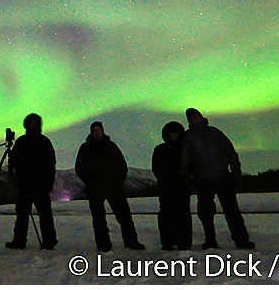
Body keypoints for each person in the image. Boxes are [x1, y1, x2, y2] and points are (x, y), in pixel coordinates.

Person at [181, 108, 254, 250]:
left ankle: (242, 240)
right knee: (206, 213)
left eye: (197, 116)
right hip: (203, 180)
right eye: (192, 118)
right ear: (189, 121)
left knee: (232, 211)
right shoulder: (188, 137)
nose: (195, 119)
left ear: (201, 117)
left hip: (222, 177)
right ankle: (210, 241)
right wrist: (188, 179)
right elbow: (184, 159)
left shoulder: (214, 132)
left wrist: (236, 171)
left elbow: (230, 151)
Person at [74, 121, 145, 252]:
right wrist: (90, 182)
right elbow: (80, 167)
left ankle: (131, 242)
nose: (97, 131)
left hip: (114, 187)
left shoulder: (111, 146)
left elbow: (122, 165)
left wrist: (118, 181)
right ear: (91, 131)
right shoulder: (85, 148)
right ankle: (103, 245)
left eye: (99, 129)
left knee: (124, 216)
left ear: (102, 130)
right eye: (94, 129)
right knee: (99, 219)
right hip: (95, 189)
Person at [5, 113, 58, 250]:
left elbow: (50, 163)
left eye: (35, 122)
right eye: (30, 122)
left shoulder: (44, 142)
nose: (32, 124)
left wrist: (49, 183)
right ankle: (19, 240)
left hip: (41, 184)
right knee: (22, 215)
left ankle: (49, 240)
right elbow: (14, 162)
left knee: (45, 214)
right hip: (24, 184)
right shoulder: (21, 142)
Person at [152, 120, 193, 250]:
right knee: (166, 214)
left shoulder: (186, 149)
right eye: (171, 133)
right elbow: (156, 168)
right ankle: (167, 241)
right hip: (166, 187)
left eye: (176, 133)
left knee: (183, 214)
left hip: (182, 187)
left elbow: (191, 166)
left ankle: (184, 242)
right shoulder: (160, 149)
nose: (174, 136)